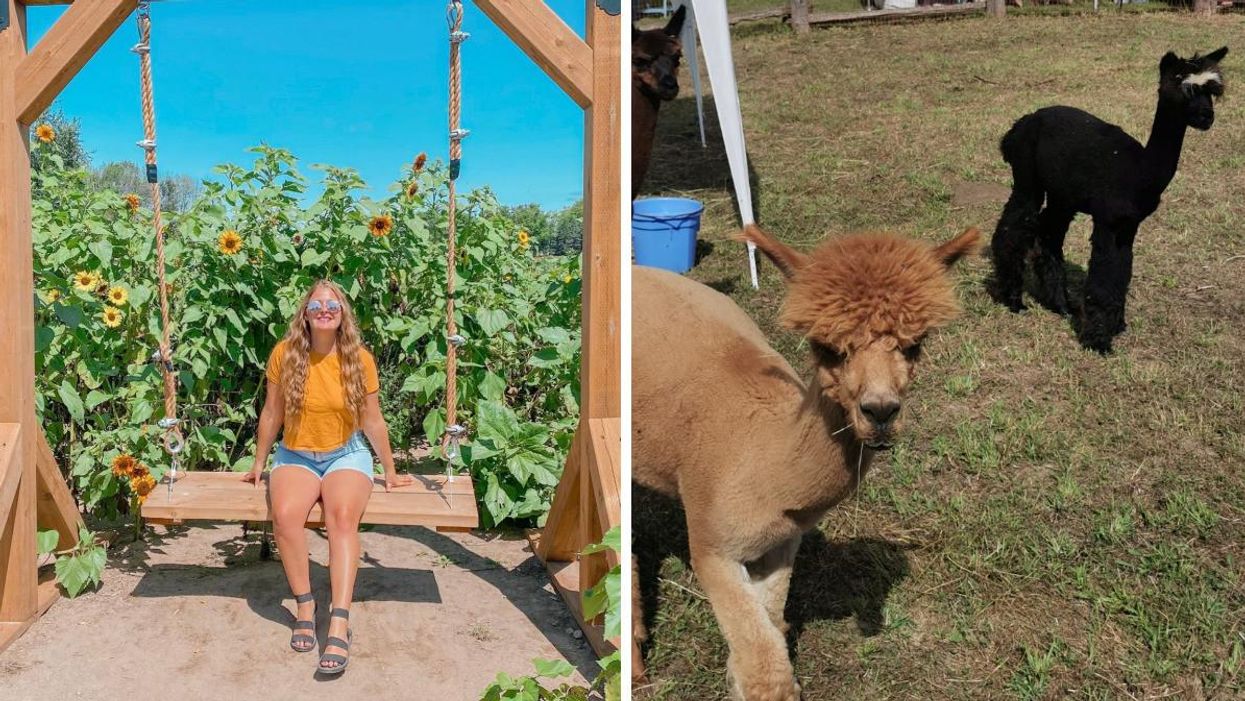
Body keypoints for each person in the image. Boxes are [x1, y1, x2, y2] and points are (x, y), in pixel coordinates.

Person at [244, 279, 413, 674]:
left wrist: (389, 469)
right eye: (317, 304)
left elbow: (372, 419)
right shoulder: (285, 354)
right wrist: (258, 461)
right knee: (285, 516)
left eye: (332, 306)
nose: (324, 310)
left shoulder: (358, 358)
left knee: (341, 518)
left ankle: (339, 618)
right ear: (305, 313)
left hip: (346, 453)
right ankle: (305, 603)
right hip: (296, 454)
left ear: (342, 315)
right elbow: (272, 414)